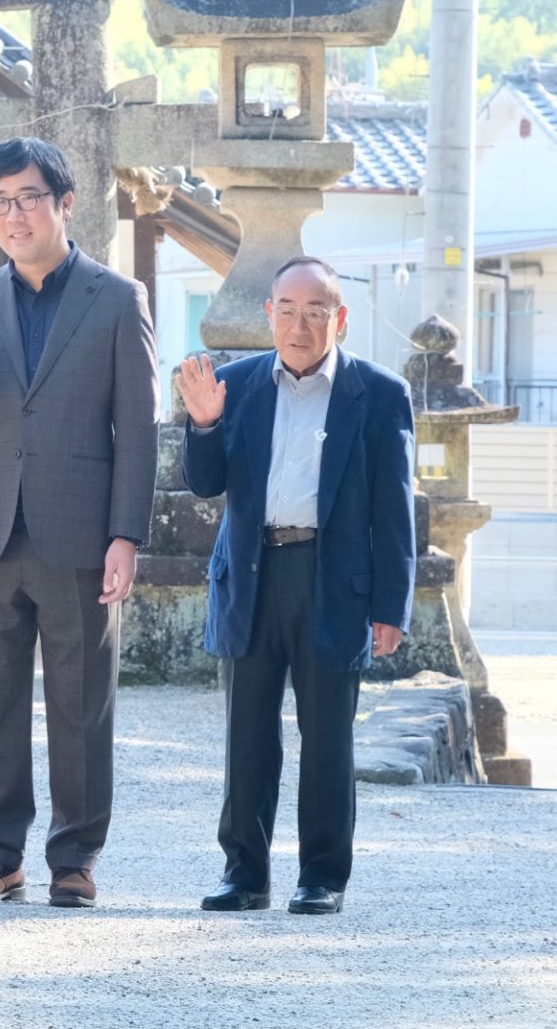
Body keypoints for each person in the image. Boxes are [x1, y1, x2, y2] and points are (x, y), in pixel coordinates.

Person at [0, 135, 158, 908]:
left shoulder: (117, 298)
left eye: (27, 197)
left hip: (80, 530)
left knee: (80, 698)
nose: (13, 213)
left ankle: (74, 857)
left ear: (64, 202)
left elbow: (139, 426)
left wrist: (127, 534)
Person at [176, 256, 416, 917]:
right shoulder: (235, 384)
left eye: (316, 311)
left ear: (339, 318)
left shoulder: (379, 393)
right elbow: (204, 480)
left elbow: (396, 509)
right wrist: (202, 425)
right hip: (252, 575)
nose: (300, 323)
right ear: (269, 315)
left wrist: (392, 604)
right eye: (287, 308)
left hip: (332, 577)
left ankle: (322, 876)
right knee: (247, 736)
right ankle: (244, 874)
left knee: (328, 736)